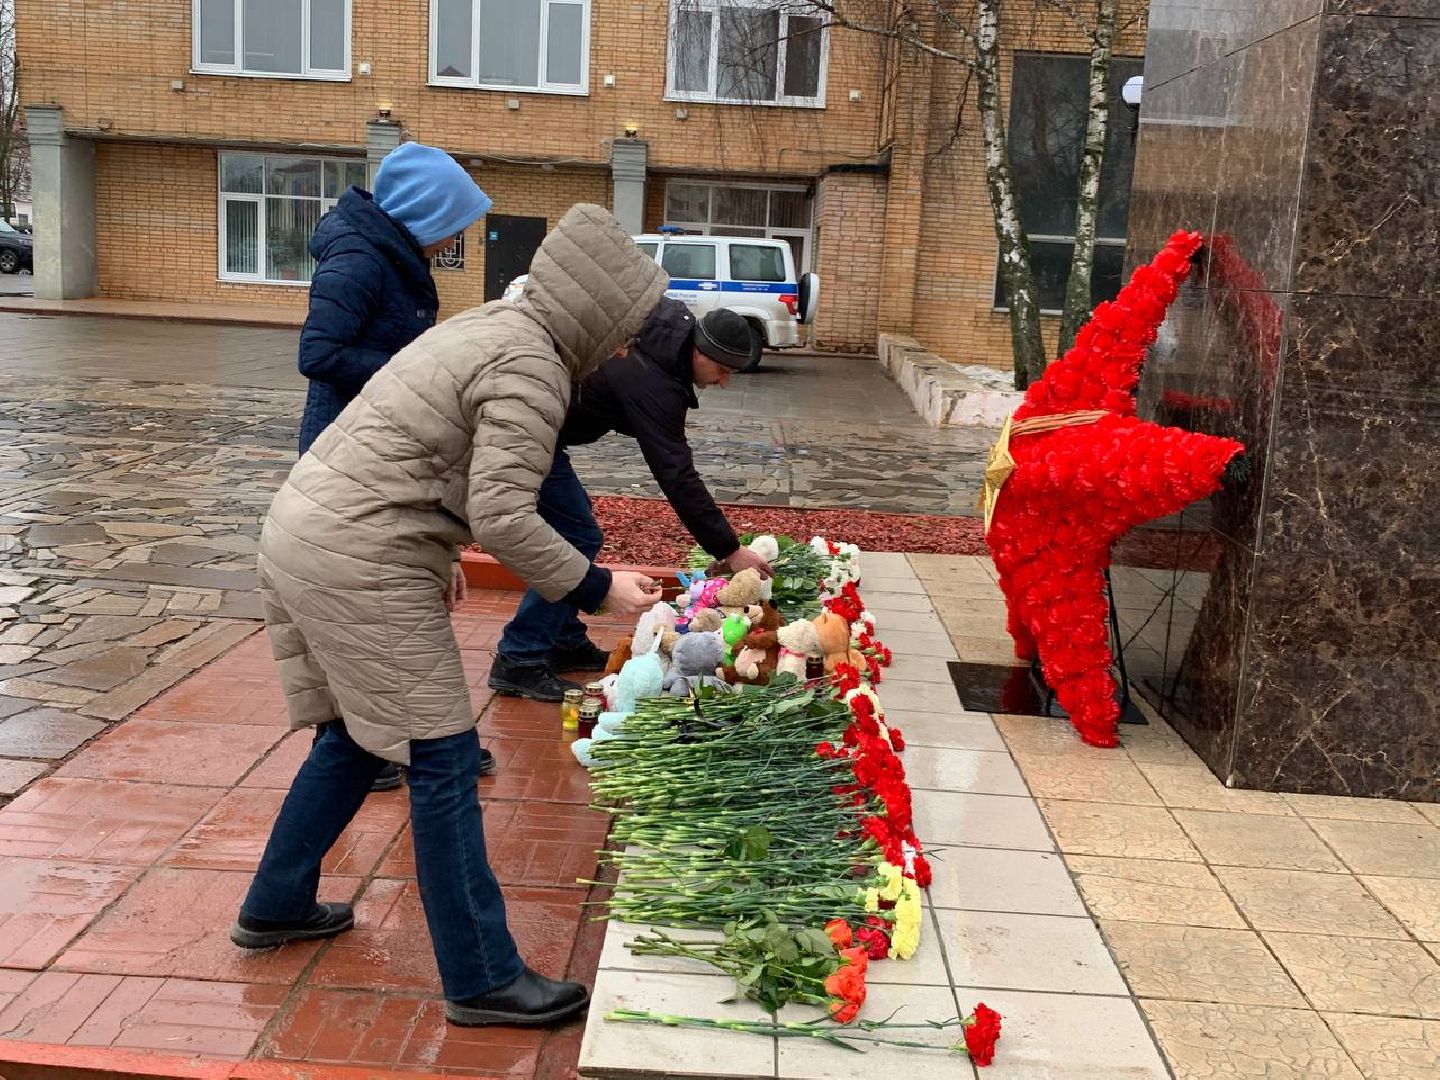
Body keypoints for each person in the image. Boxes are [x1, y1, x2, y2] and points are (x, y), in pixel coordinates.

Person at [230, 205, 668, 1029]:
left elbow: (423, 460)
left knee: (358, 735)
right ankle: (482, 977)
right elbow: (503, 515)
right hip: (358, 554)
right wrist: (593, 586)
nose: (621, 349)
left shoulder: (495, 327)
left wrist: (428, 556)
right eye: (623, 330)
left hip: (311, 529)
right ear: (594, 313)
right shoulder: (531, 366)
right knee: (440, 754)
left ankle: (276, 903)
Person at [295, 140, 494, 793]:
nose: (459, 236)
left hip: (378, 453)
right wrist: (413, 375)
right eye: (454, 222)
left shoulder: (394, 255)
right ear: (423, 213)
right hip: (342, 460)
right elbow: (320, 353)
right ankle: (355, 743)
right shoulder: (358, 261)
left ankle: (416, 740)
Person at [488, 302, 773, 701]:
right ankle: (520, 657)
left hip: (539, 424)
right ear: (699, 352)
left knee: (575, 530)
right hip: (523, 430)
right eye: (723, 370)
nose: (724, 381)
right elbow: (676, 475)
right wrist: (729, 548)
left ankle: (561, 637)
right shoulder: (652, 382)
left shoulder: (664, 339)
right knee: (577, 535)